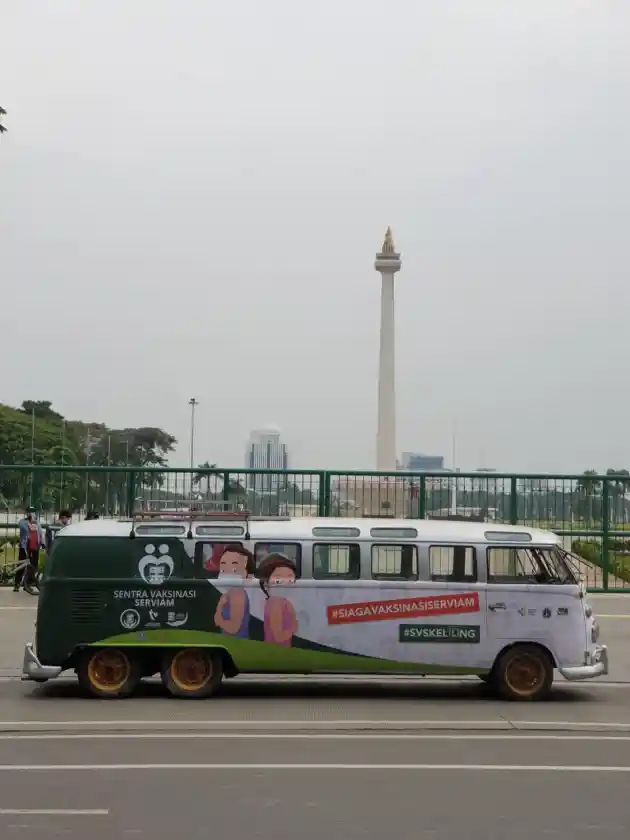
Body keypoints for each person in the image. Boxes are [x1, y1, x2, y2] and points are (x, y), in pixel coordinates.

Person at [213, 545, 255, 638]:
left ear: (247, 574)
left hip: (237, 644)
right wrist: (220, 606)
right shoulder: (228, 594)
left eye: (234, 569)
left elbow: (233, 628)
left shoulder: (238, 594)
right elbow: (216, 621)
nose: (227, 572)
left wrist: (220, 620)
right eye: (223, 568)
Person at [257, 553, 298, 647]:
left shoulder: (275, 602)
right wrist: (292, 629)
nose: (285, 584)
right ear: (266, 584)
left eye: (290, 580)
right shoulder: (276, 604)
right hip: (278, 650)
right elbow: (278, 636)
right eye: (278, 581)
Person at [15, 508, 42, 592]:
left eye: (33, 512)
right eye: (29, 512)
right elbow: (24, 529)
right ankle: (17, 583)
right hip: (25, 546)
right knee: (21, 565)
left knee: (33, 566)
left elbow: (40, 533)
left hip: (35, 547)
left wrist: (41, 543)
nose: (31, 513)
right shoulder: (23, 522)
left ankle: (28, 584)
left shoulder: (37, 523)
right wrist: (30, 523)